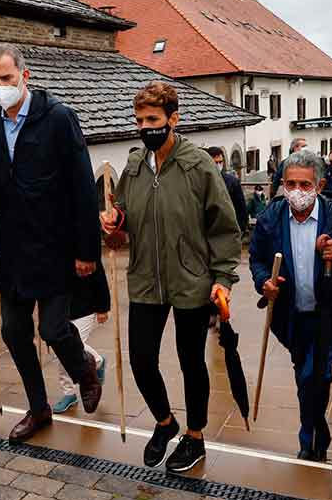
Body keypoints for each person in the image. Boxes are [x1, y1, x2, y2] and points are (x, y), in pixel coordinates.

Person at [0, 43, 102, 444]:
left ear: (25, 76)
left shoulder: (59, 119)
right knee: (13, 332)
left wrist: (88, 251)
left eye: (7, 78)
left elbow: (84, 188)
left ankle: (83, 366)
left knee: (53, 329)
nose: (1, 87)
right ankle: (38, 409)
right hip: (13, 250)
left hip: (55, 246)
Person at [101, 81, 241, 472]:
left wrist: (223, 278)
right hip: (146, 277)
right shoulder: (133, 166)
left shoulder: (198, 165)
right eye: (140, 120)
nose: (146, 127)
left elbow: (225, 228)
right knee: (141, 359)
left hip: (192, 281)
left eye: (153, 119)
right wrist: (114, 225)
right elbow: (125, 218)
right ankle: (165, 422)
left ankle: (195, 437)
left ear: (173, 119)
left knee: (190, 361)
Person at [249, 150, 332, 460]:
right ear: (282, 184)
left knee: (315, 375)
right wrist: (265, 282)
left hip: (330, 315)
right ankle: (318, 428)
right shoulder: (271, 218)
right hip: (292, 316)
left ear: (319, 186)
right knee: (305, 375)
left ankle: (309, 441)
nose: (297, 191)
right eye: (290, 183)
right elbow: (258, 259)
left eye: (305, 185)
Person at [53, 261, 109, 414]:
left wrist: (103, 307)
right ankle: (96, 362)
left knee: (69, 349)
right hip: (59, 307)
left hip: (85, 308)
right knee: (61, 349)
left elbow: (99, 277)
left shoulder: (85, 244)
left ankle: (69, 393)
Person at [208, 146, 249, 235]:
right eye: (215, 162)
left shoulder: (232, 182)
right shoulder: (201, 181)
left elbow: (241, 208)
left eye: (220, 162)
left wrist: (240, 230)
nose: (218, 165)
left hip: (228, 230)